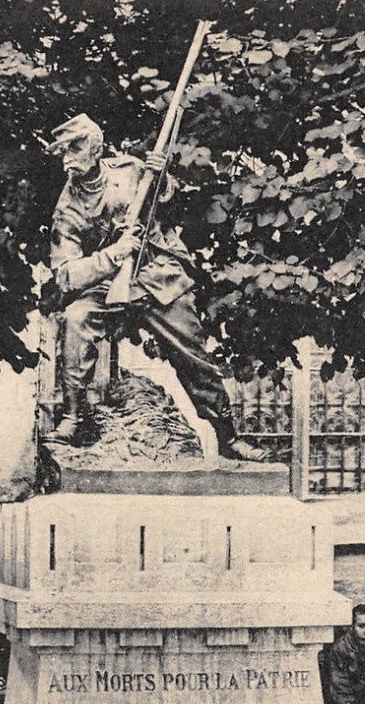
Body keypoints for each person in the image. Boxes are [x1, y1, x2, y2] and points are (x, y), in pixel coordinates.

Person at [44, 113, 262, 460]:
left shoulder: (130, 170)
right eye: (62, 151)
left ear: (96, 147)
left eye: (76, 147)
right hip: (107, 281)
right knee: (75, 318)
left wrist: (162, 178)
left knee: (192, 351)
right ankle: (72, 417)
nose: (68, 158)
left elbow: (172, 204)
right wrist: (114, 255)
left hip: (156, 274)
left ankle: (227, 435)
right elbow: (66, 275)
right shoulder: (67, 206)